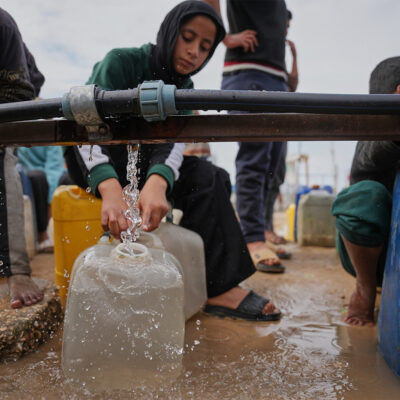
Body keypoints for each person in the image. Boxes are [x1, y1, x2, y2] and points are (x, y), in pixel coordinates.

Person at [65, 0, 281, 322]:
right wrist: (109, 188)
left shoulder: (186, 86)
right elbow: (85, 126)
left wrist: (158, 182)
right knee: (85, 145)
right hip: (98, 159)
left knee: (212, 178)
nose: (195, 52)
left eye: (206, 47)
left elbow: (175, 141)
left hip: (147, 163)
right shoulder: (120, 62)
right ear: (169, 32)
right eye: (188, 37)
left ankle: (217, 287)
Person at [206, 0, 289, 273]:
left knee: (273, 164)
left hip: (277, 78)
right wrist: (224, 36)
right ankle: (252, 238)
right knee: (254, 160)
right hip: (248, 72)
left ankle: (262, 229)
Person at [332, 56, 400, 326]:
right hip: (373, 252)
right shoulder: (373, 133)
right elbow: (373, 155)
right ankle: (365, 286)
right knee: (364, 198)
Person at [0, 8, 44, 308]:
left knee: (1, 153)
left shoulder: (2, 25)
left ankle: (16, 269)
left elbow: (20, 95)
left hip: (16, 87)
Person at [263, 9, 298, 248]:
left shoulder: (280, 54)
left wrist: (294, 54)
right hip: (266, 122)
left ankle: (268, 227)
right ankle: (263, 229)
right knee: (263, 175)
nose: (285, 29)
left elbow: (292, 86)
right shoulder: (265, 48)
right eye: (283, 24)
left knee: (276, 176)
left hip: (281, 123)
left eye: (287, 26)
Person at [18, 146, 67, 252]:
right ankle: (41, 234)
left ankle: (51, 233)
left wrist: (50, 201)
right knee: (35, 177)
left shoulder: (49, 139)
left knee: (42, 178)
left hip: (49, 175)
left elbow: (54, 169)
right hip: (25, 174)